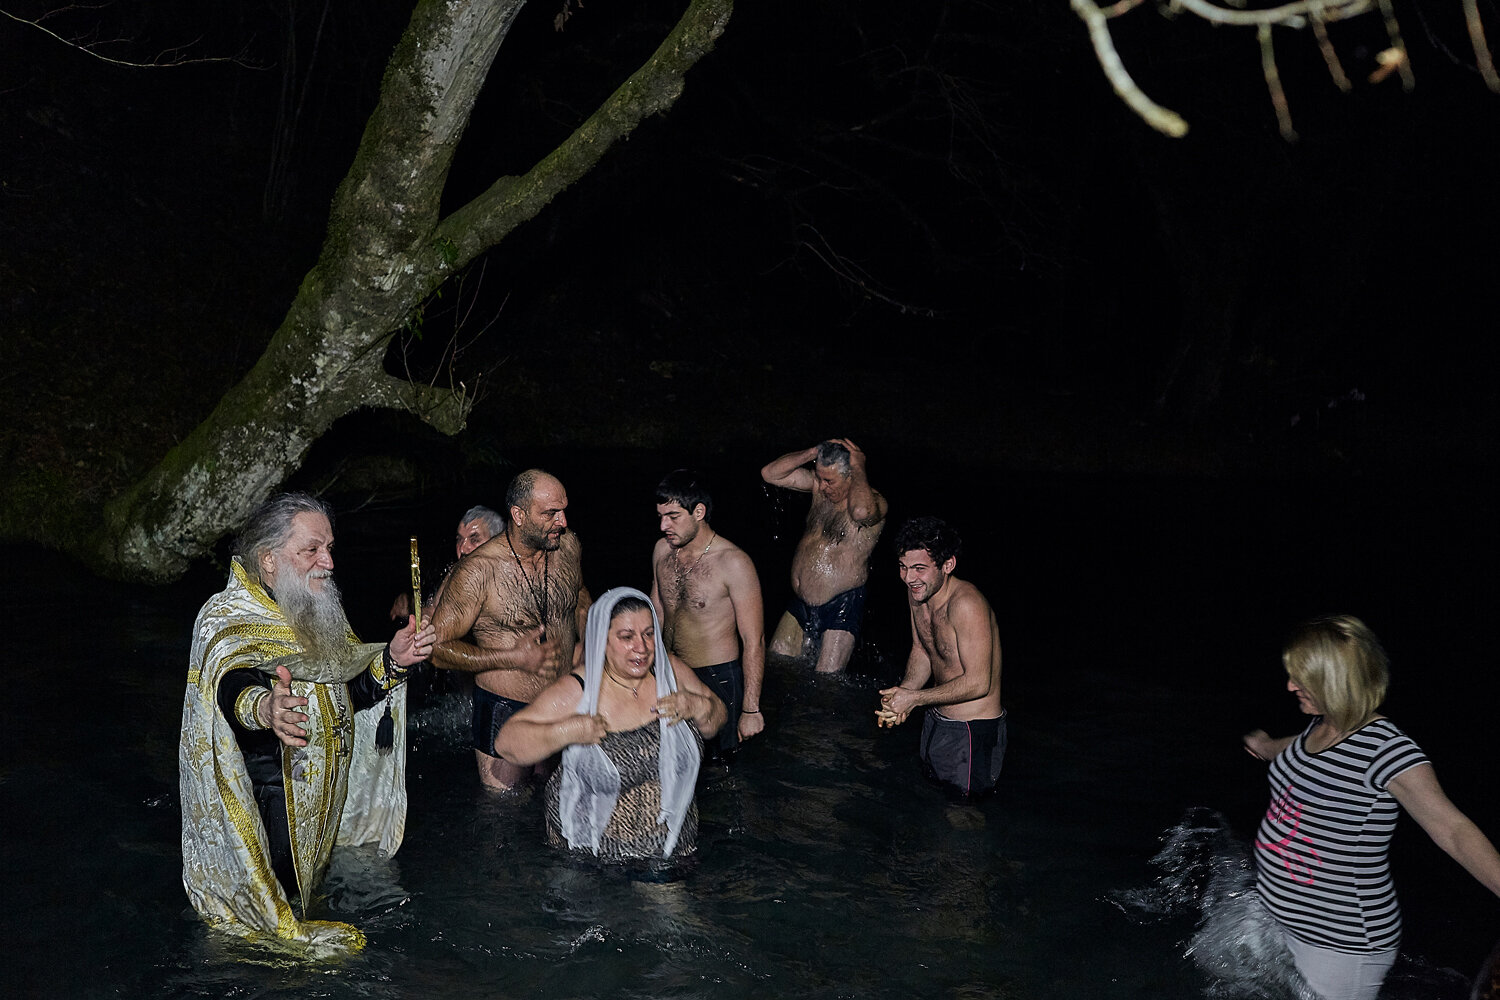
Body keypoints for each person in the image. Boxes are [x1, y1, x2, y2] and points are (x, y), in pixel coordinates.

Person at [179, 493, 436, 951]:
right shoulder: (227, 619)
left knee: (303, 915)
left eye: (330, 547)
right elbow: (228, 685)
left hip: (319, 812)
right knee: (260, 943)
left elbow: (347, 696)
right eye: (312, 549)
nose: (329, 562)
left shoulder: (315, 613)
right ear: (269, 560)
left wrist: (392, 662)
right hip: (266, 807)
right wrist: (264, 709)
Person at [1243, 615, 1500, 1000]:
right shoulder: (1320, 726)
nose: (1291, 685)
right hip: (1280, 917)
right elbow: (1294, 754)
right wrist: (1264, 746)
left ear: (1337, 681)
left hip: (1339, 943)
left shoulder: (1388, 750)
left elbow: (1452, 830)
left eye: (1302, 677)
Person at [494, 588, 725, 861]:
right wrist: (566, 731)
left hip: (671, 847)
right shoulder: (581, 689)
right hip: (593, 854)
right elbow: (507, 743)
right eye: (627, 637)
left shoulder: (670, 673)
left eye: (649, 634)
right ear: (602, 641)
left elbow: (716, 720)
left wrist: (698, 706)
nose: (642, 647)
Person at [429, 470, 591, 791]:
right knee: (503, 819)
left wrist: (590, 647)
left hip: (561, 704)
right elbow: (436, 649)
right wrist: (511, 657)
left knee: (557, 809)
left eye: (563, 510)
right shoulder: (478, 571)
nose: (562, 520)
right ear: (518, 515)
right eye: (550, 514)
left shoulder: (568, 547)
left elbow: (580, 600)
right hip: (504, 711)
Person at [876, 517, 1005, 800]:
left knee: (963, 816)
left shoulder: (967, 605)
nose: (909, 578)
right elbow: (923, 650)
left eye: (919, 569)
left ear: (948, 565)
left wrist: (916, 699)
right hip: (937, 721)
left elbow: (979, 683)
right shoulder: (917, 594)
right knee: (932, 801)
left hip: (971, 732)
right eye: (903, 567)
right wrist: (904, 696)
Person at [649, 469, 766, 754]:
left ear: (699, 512)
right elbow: (656, 613)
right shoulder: (662, 551)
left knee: (719, 767)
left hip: (717, 679)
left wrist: (751, 709)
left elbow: (754, 640)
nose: (664, 525)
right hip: (670, 671)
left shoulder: (733, 562)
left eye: (673, 517)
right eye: (661, 516)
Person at [760, 438, 887, 673]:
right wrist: (812, 452)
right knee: (776, 666)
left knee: (825, 683)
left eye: (829, 480)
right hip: (801, 602)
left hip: (841, 604)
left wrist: (858, 465)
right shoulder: (821, 490)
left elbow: (860, 512)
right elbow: (770, 474)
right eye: (818, 478)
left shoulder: (874, 502)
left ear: (851, 475)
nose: (822, 486)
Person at [387, 504, 505, 622]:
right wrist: (411, 606)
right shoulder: (455, 573)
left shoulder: (510, 580)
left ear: (496, 542)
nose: (462, 548)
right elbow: (433, 610)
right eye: (459, 539)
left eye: (474, 540)